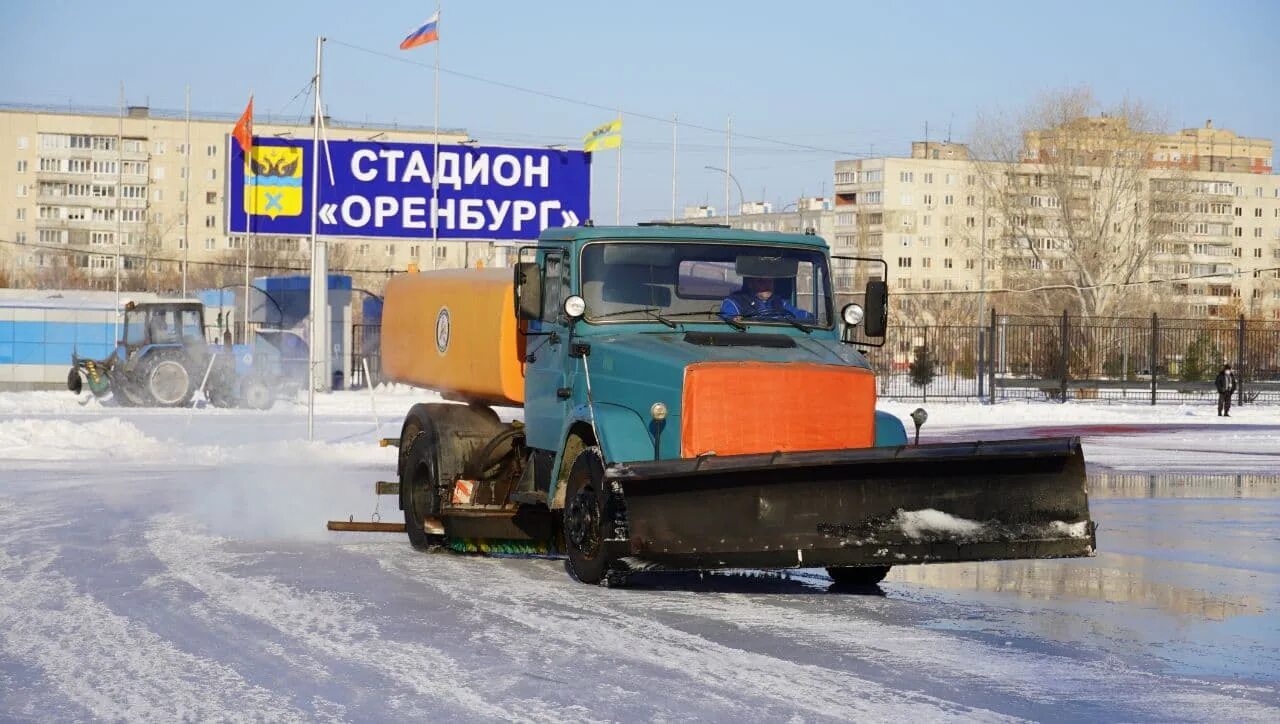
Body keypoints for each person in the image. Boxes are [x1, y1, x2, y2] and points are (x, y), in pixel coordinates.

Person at [719, 276, 815, 322]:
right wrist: (735, 320)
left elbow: (800, 315)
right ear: (750, 284)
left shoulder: (779, 302)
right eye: (761, 281)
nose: (767, 285)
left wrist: (811, 318)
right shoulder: (734, 301)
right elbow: (728, 321)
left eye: (770, 281)